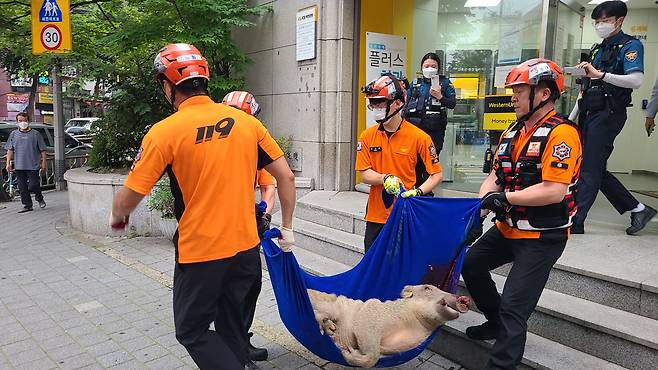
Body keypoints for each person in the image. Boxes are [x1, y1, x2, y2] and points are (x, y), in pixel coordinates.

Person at [109, 43, 296, 370]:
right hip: (246, 249)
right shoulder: (246, 123)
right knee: (233, 326)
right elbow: (286, 177)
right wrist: (289, 228)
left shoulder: (164, 132)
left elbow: (132, 192)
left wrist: (119, 215)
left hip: (201, 252)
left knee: (192, 330)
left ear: (168, 86)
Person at [462, 59, 582, 370]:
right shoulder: (513, 131)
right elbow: (495, 177)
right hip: (508, 228)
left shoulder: (563, 134)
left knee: (515, 306)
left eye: (519, 90)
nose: (513, 96)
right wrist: (482, 206)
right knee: (471, 264)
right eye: (513, 90)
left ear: (543, 94)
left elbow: (554, 190)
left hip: (543, 235)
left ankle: (502, 363)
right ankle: (494, 322)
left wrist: (505, 198)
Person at [569, 1, 655, 235]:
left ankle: (577, 220)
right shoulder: (597, 48)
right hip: (589, 110)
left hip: (609, 113)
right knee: (592, 166)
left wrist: (602, 74)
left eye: (604, 21)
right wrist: (571, 117)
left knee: (589, 168)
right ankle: (638, 208)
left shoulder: (631, 45)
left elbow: (636, 80)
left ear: (619, 21)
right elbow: (586, 86)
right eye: (596, 22)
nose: (600, 26)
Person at [356, 74, 443, 251]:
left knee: (402, 270)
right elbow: (364, 173)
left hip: (406, 214)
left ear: (397, 103)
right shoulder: (366, 136)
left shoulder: (419, 137)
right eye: (372, 103)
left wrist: (418, 191)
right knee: (373, 267)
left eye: (380, 102)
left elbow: (436, 174)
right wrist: (385, 178)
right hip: (376, 215)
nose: (375, 108)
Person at [221, 90, 274, 365]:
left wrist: (264, 212)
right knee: (228, 293)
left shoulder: (254, 147)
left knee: (251, 286)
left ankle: (241, 339)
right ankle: (232, 352)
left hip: (246, 231)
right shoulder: (212, 150)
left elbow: (268, 184)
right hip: (218, 234)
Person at [402, 52, 456, 192]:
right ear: (422, 67)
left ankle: (426, 193)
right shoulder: (415, 83)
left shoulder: (445, 83)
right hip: (415, 129)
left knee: (430, 163)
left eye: (433, 66)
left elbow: (452, 103)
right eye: (427, 66)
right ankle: (413, 192)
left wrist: (440, 96)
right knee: (414, 162)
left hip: (435, 131)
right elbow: (405, 103)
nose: (430, 68)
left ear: (438, 68)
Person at [3, 112, 47, 213]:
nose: (23, 123)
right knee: (22, 187)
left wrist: (43, 162)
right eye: (20, 121)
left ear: (28, 121)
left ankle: (39, 197)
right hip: (19, 165)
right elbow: (10, 150)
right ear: (17, 122)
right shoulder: (14, 134)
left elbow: (43, 150)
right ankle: (27, 205)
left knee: (33, 185)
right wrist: (8, 163)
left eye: (25, 120)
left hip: (33, 165)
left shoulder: (35, 134)